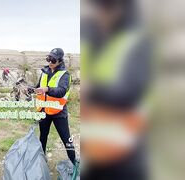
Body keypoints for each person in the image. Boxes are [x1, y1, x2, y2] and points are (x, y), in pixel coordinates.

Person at [81, 0, 153, 179]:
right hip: (102, 137)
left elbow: (132, 91)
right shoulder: (102, 39)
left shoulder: (136, 42)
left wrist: (93, 88)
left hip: (126, 139)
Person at [35, 48, 78, 167]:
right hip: (44, 110)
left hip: (59, 112)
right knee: (43, 136)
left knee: (66, 139)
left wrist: (48, 89)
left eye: (53, 60)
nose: (50, 62)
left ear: (60, 61)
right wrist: (30, 89)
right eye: (48, 58)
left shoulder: (65, 75)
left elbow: (61, 91)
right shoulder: (44, 71)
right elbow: (38, 87)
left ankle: (74, 163)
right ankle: (42, 162)